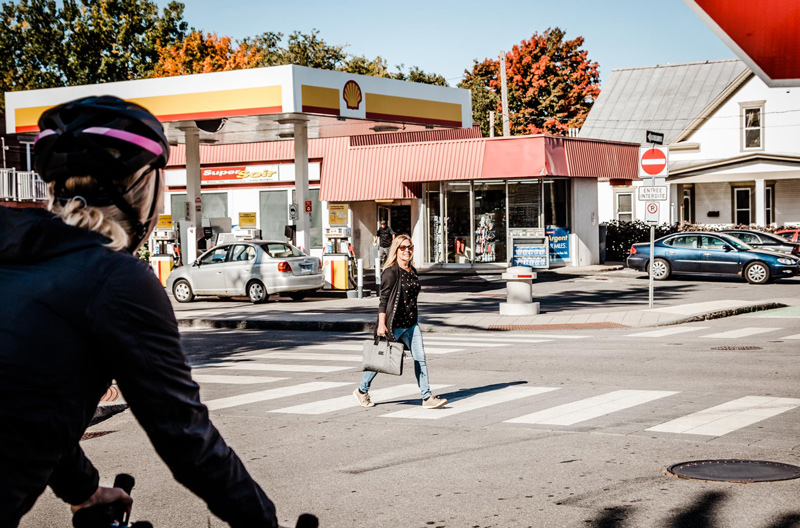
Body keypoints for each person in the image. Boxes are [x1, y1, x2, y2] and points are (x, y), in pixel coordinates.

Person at [0, 96, 278, 528]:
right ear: (141, 187)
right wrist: (263, 521)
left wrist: (85, 491)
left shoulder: (15, 252)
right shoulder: (116, 278)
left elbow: (27, 409)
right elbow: (184, 436)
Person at [353, 234, 447, 409]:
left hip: (411, 324)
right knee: (381, 360)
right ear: (396, 251)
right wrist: (381, 324)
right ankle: (361, 390)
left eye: (409, 247)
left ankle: (426, 397)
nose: (407, 251)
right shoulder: (390, 272)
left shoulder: (413, 271)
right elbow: (383, 300)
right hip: (393, 325)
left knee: (421, 359)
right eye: (402, 248)